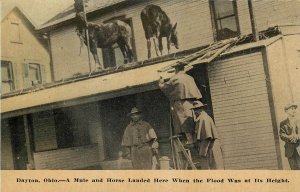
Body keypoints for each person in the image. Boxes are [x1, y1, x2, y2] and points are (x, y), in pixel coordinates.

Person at [158, 62, 202, 145]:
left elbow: (164, 87)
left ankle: (189, 141)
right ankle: (195, 139)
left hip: (181, 103)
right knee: (192, 120)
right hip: (192, 103)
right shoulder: (190, 78)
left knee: (183, 121)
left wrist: (161, 82)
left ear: (176, 69)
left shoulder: (175, 78)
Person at [190, 101, 224, 170]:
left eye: (197, 109)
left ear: (201, 109)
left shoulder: (203, 119)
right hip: (210, 148)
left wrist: (202, 152)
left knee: (212, 169)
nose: (195, 111)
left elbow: (207, 137)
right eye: (194, 110)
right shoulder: (203, 117)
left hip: (209, 148)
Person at [279, 103, 300, 170]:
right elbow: (282, 135)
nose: (294, 110)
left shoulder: (298, 121)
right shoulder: (283, 123)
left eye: (294, 109)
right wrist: (289, 137)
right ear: (287, 111)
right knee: (294, 170)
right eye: (292, 109)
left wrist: (298, 136)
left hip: (299, 147)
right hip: (290, 150)